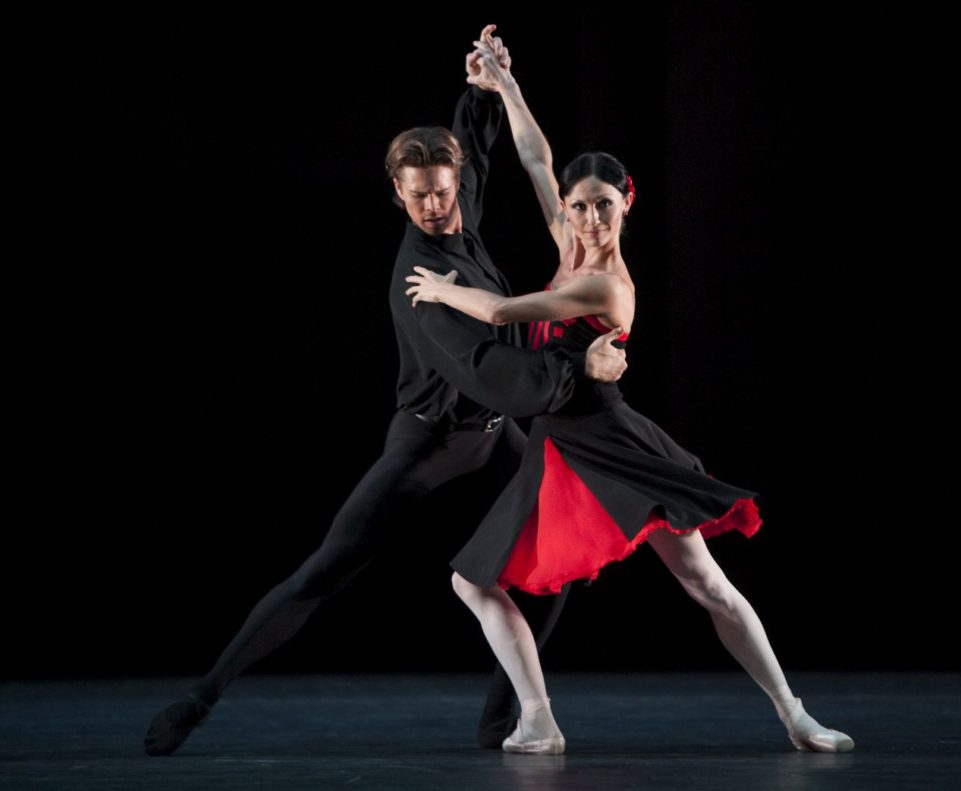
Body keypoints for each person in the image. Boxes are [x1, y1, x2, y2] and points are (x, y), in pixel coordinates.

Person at [142, 28, 627, 757]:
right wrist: (577, 372)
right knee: (327, 567)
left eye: (440, 191)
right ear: (397, 196)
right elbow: (489, 369)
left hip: (493, 433)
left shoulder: (457, 187)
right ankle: (201, 694)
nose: (434, 207)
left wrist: (481, 82)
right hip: (431, 439)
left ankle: (508, 715)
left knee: (555, 562)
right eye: (418, 197)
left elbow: (477, 141)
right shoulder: (420, 284)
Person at [405, 27, 855, 756]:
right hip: (560, 447)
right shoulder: (569, 244)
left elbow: (499, 312)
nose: (586, 218)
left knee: (706, 583)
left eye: (601, 206)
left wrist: (444, 290)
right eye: (578, 206)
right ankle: (539, 718)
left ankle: (795, 713)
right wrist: (504, 83)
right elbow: (534, 158)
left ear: (626, 205)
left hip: (609, 441)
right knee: (473, 582)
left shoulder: (604, 284)